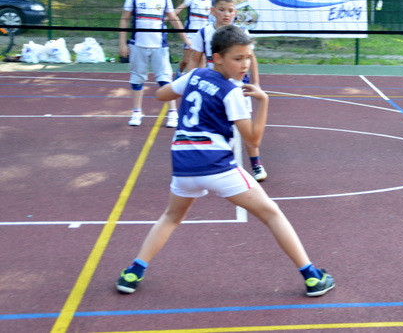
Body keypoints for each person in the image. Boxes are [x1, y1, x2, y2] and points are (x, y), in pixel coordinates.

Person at [115, 25, 334, 298]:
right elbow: (253, 140)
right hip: (216, 165)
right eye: (238, 58)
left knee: (171, 216)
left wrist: (187, 83)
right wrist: (264, 102)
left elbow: (161, 95)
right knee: (272, 213)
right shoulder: (232, 92)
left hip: (183, 164)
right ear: (218, 57)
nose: (245, 65)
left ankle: (133, 272)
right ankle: (312, 276)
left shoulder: (195, 75)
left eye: (248, 57)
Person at [184, 0, 267, 182]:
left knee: (247, 126)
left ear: (235, 12)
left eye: (230, 10)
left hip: (239, 88)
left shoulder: (242, 33)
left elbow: (252, 59)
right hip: (214, 89)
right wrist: (192, 81)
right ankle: (216, 163)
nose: (226, 14)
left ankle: (256, 164)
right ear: (213, 11)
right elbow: (195, 60)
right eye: (222, 10)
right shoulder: (204, 33)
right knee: (217, 126)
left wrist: (256, 83)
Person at [119, 0, 191, 128]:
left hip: (159, 46)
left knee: (165, 79)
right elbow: (124, 19)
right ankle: (137, 112)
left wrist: (186, 39)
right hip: (138, 45)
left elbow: (174, 19)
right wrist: (122, 43)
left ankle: (173, 113)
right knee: (137, 79)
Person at [174, 0, 213, 77]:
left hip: (204, 35)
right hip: (190, 34)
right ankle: (179, 72)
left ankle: (199, 80)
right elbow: (177, 10)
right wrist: (168, 17)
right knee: (186, 60)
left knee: (202, 59)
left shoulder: (210, 2)